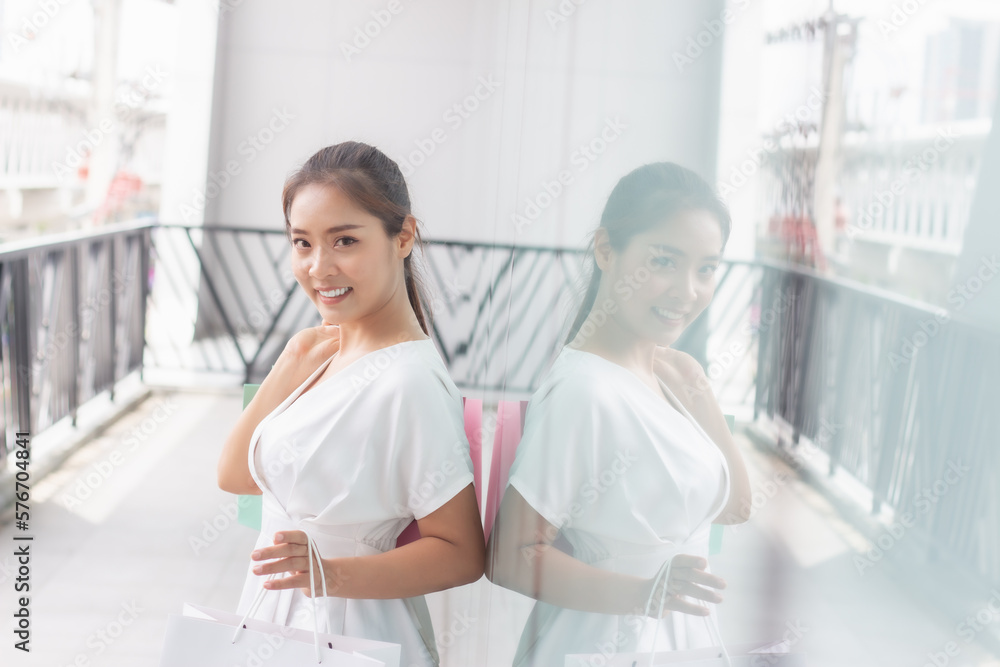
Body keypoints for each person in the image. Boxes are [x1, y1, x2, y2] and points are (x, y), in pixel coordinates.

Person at [216, 141, 486, 667]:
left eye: (344, 240)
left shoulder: (409, 382)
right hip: (276, 616)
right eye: (302, 243)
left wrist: (330, 574)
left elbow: (462, 552)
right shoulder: (322, 349)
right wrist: (289, 363)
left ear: (403, 236)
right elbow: (234, 475)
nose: (319, 267)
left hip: (347, 628)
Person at [485, 162, 752, 665]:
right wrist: (644, 593)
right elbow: (510, 557)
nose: (686, 291)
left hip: (675, 638)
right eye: (664, 261)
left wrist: (697, 389)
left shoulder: (670, 375)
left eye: (706, 269)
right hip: (603, 643)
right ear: (606, 250)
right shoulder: (584, 390)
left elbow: (735, 506)